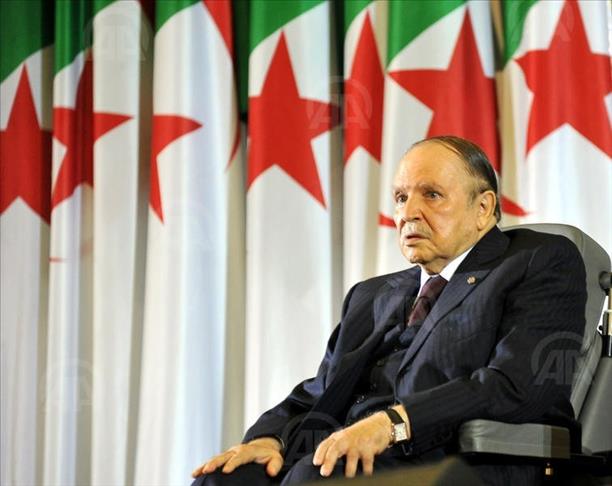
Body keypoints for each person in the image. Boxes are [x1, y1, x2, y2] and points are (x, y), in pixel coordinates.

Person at [191, 135, 587, 485]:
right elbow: (321, 390)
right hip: (349, 455)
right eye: (400, 198)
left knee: (319, 474)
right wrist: (271, 438)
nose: (409, 212)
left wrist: (394, 423)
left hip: (463, 460)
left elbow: (519, 386)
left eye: (431, 195)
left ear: (483, 208)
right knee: (226, 477)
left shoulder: (537, 261)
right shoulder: (371, 294)